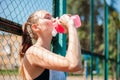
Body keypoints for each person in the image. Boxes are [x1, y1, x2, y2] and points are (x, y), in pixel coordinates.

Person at [19, 10, 82, 80]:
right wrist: (70, 25)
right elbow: (74, 64)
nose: (55, 19)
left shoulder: (49, 54)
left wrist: (69, 26)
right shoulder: (32, 52)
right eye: (48, 18)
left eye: (53, 17)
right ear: (36, 27)